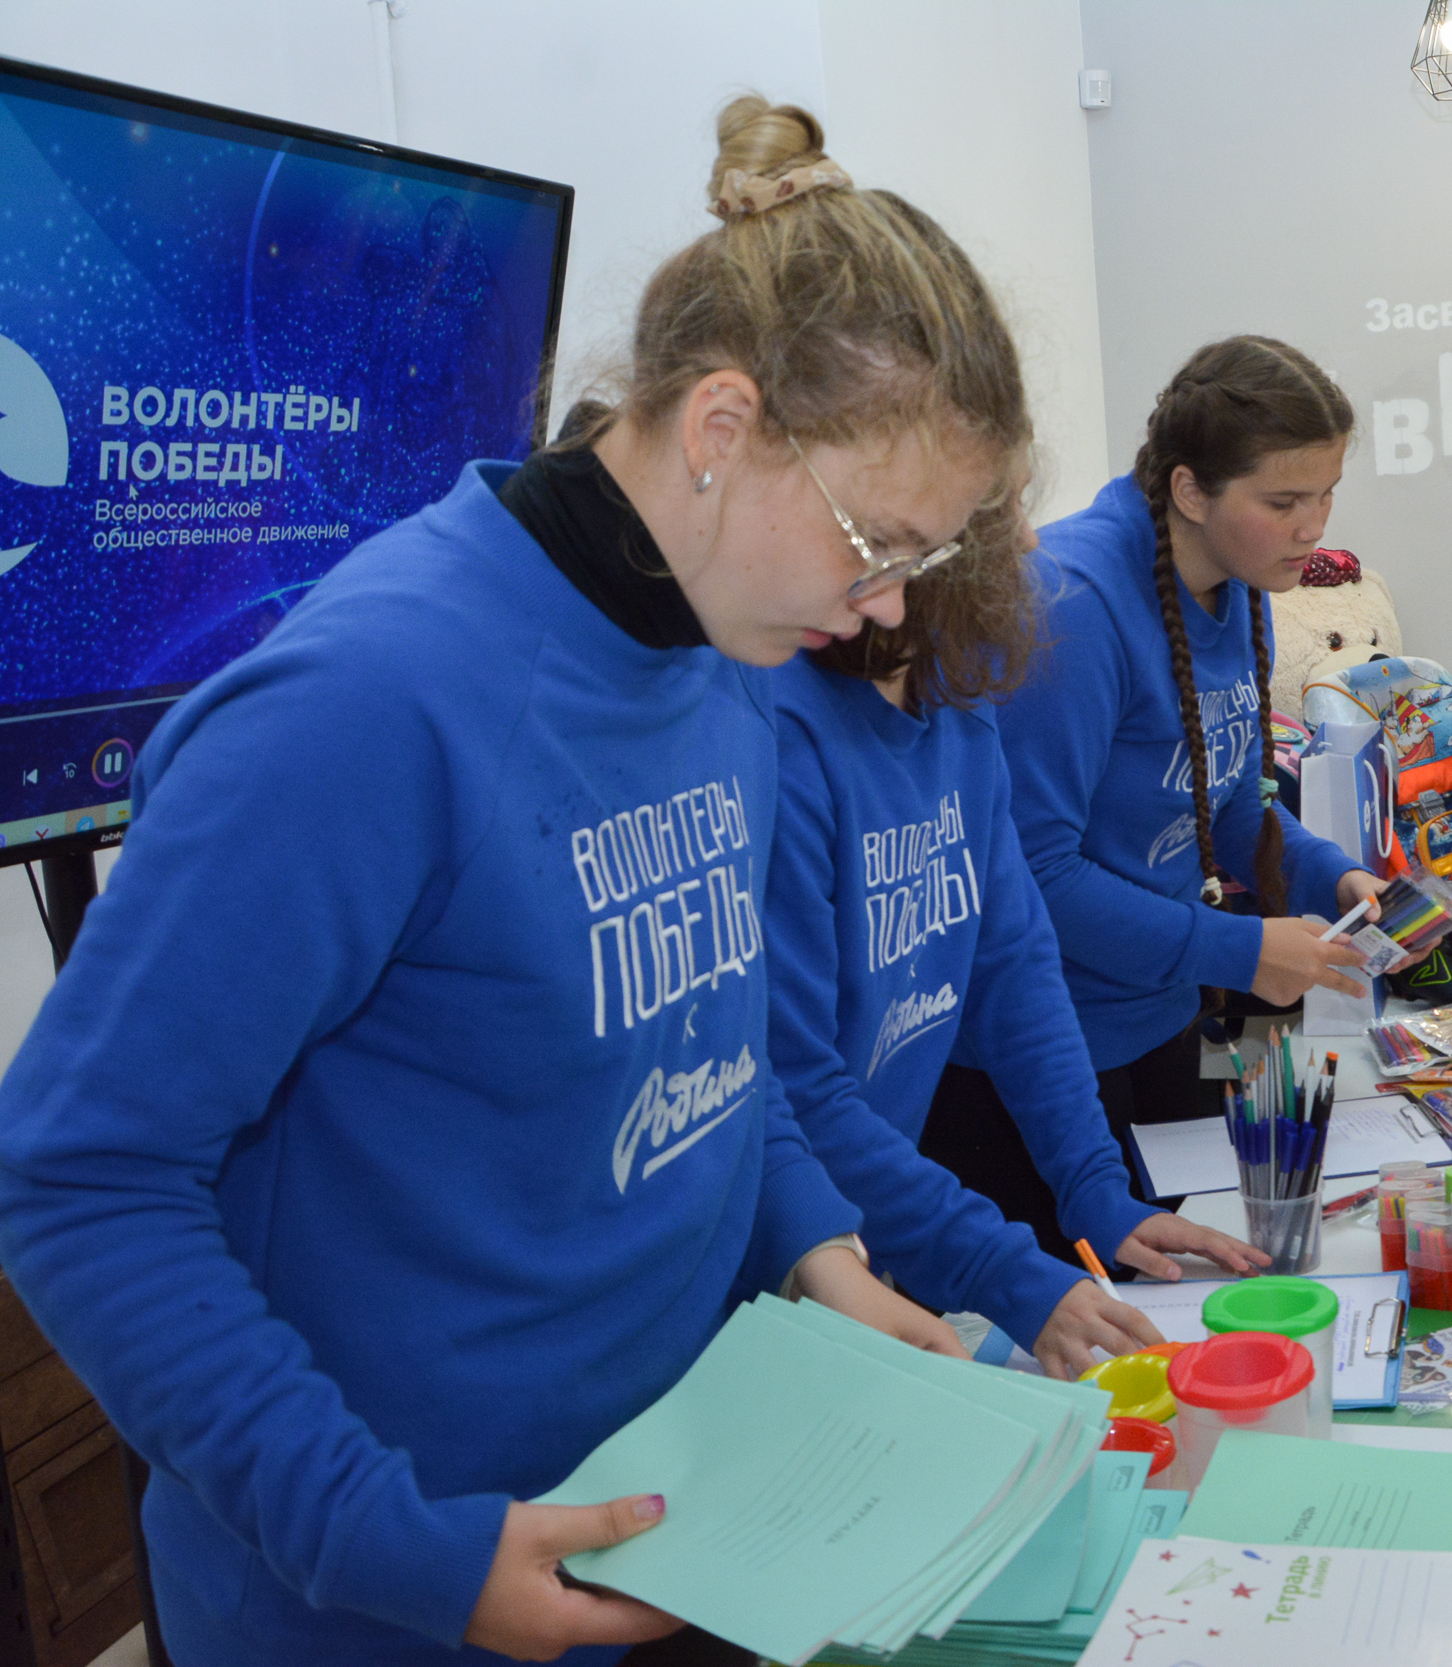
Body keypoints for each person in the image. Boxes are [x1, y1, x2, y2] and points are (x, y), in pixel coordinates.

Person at [0, 100, 1015, 1665]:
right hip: (384, 1596)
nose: (886, 607)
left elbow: (711, 1049)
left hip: (673, 1525)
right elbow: (76, 1177)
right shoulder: (368, 706)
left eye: (918, 561)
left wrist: (814, 1240)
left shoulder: (719, 644)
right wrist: (386, 1532)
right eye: (870, 541)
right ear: (722, 426)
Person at [765, 471, 1265, 1382]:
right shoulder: (783, 737)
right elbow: (799, 1090)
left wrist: (1095, 1190)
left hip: (871, 1229)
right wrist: (1003, 1270)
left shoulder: (957, 700)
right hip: (779, 1256)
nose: (1032, 547)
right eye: (1002, 521)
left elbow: (1014, 967)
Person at [941, 336, 1383, 1225]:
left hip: (1165, 1018)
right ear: (1189, 489)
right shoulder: (1069, 601)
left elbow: (1225, 803)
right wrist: (1243, 951)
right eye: (1285, 500)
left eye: (1328, 492)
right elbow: (1030, 877)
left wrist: (1329, 872)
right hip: (1045, 1061)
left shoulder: (1241, 572)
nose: (1315, 527)